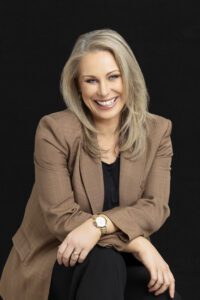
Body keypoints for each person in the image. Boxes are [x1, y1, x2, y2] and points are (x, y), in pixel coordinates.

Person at [0, 28, 182, 300]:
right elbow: (61, 218)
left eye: (113, 77)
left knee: (163, 295)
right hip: (55, 256)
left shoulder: (157, 131)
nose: (104, 91)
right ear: (77, 85)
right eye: (91, 81)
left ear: (128, 77)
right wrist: (139, 244)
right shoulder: (54, 130)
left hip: (116, 261)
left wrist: (98, 225)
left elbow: (155, 208)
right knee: (103, 263)